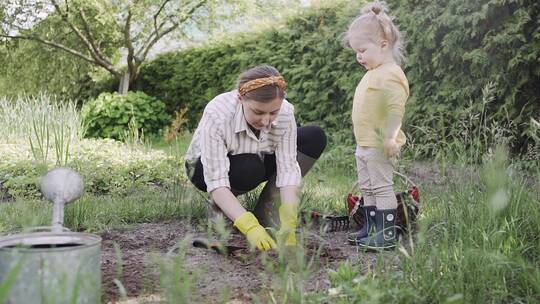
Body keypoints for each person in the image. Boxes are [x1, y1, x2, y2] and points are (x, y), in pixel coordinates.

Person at [185, 65, 326, 251]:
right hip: (205, 168)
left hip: (259, 154)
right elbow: (216, 180)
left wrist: (290, 214)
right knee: (249, 167)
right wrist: (249, 226)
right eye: (258, 112)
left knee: (314, 136)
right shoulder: (217, 113)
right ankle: (223, 209)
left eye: (273, 112)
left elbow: (288, 168)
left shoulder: (285, 112)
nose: (267, 121)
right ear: (240, 98)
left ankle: (267, 212)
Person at [344, 1, 409, 250]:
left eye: (362, 50)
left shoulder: (391, 74)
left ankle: (387, 232)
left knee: (382, 187)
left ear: (383, 45)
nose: (358, 56)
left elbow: (395, 109)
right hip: (365, 144)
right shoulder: (373, 72)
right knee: (367, 187)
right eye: (355, 52)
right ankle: (371, 228)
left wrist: (391, 137)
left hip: (381, 144)